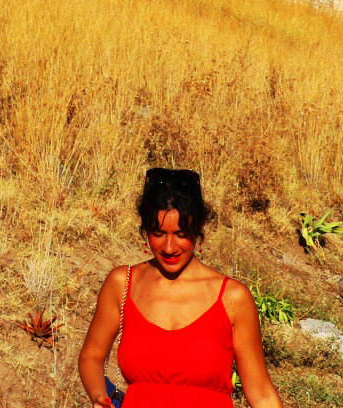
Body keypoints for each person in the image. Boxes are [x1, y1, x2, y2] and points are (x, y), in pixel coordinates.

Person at [75, 167, 283, 408]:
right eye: (158, 233)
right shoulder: (122, 283)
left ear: (200, 227)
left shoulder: (233, 297)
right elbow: (91, 356)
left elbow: (261, 394)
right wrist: (99, 396)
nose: (170, 247)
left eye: (181, 234)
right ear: (145, 228)